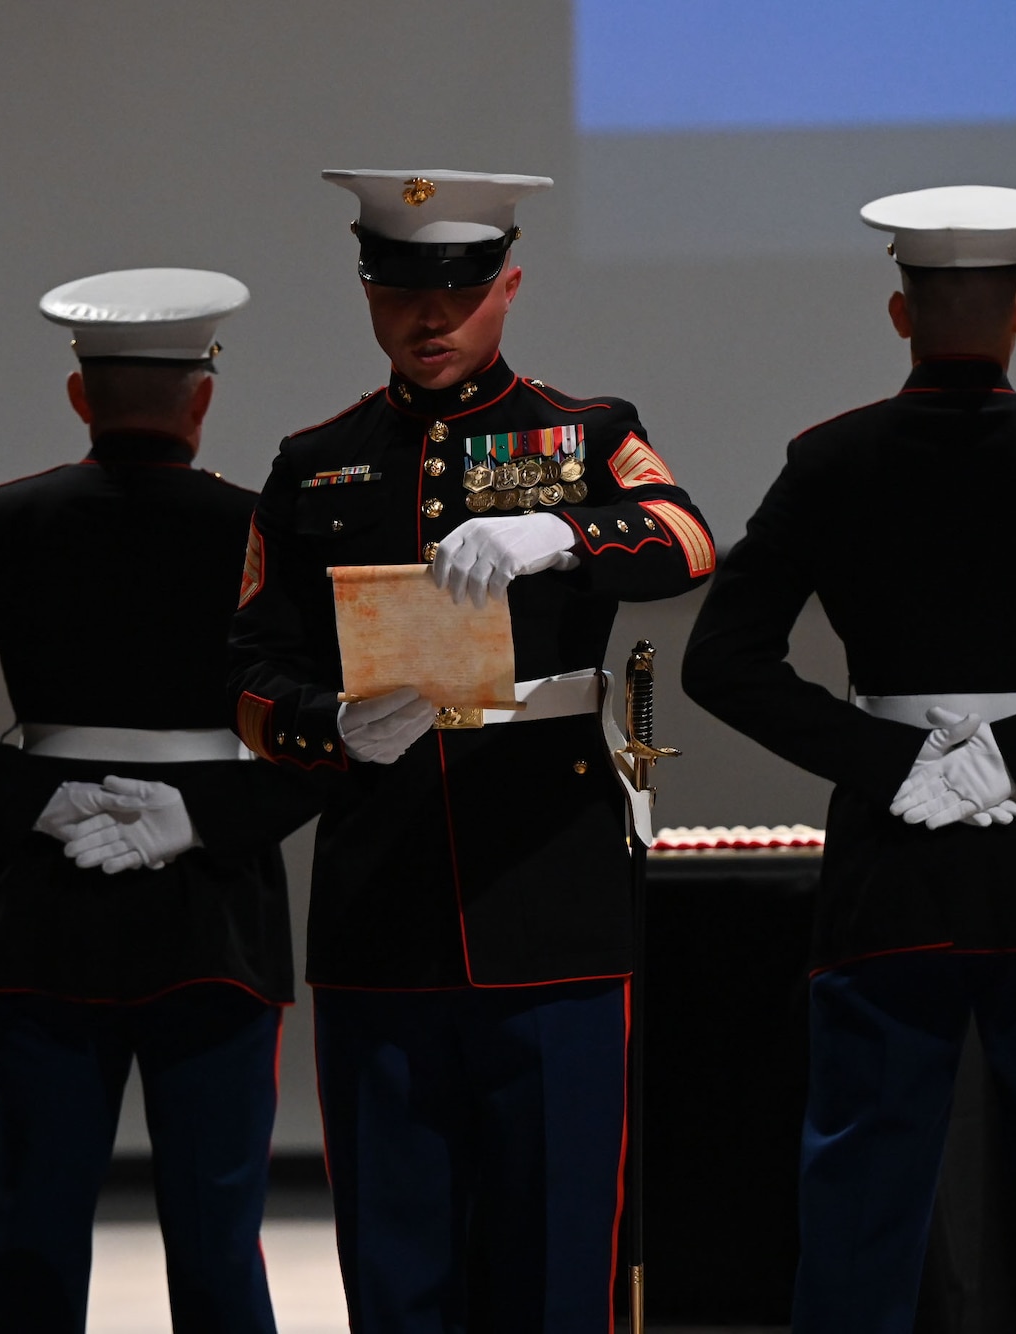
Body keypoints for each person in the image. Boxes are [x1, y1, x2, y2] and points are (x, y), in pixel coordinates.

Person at [680, 186, 1016, 1333]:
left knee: (860, 1196)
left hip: (890, 858)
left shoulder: (826, 461)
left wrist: (892, 763)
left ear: (897, 312)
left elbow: (721, 662)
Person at [226, 170, 716, 1331]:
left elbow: (688, 539)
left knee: (554, 1257)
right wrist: (321, 723)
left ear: (507, 286)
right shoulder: (314, 460)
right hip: (379, 898)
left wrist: (562, 528)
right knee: (396, 1260)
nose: (426, 318)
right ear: (366, 293)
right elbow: (247, 667)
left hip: (547, 891)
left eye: (454, 292)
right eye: (397, 291)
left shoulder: (584, 432)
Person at [0, 268, 320, 1334]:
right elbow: (327, 735)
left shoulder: (1, 521)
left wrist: (40, 800)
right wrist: (206, 817)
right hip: (209, 903)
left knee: (33, 1225)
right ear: (201, 397)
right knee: (217, 1228)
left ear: (79, 396)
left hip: (49, 905)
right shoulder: (260, 530)